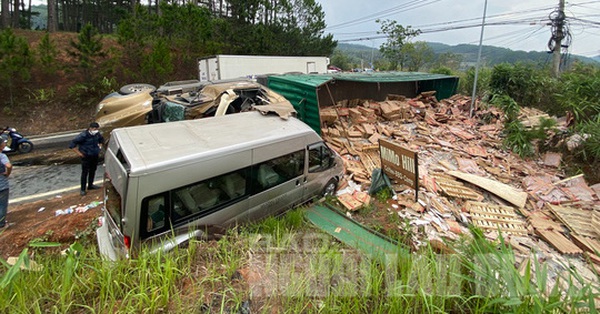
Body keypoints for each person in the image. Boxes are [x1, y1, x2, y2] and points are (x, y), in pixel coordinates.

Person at [69, 122, 104, 196]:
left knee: (93, 170)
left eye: (97, 129)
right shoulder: (83, 135)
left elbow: (101, 140)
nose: (96, 130)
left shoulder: (97, 134)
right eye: (94, 129)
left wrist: (99, 148)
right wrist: (79, 153)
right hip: (86, 156)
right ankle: (82, 189)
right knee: (85, 172)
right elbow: (72, 144)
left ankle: (90, 185)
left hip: (94, 155)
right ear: (90, 128)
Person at [0, 135, 13, 228]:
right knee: (2, 204)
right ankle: (1, 224)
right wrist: (7, 173)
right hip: (2, 183)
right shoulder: (2, 156)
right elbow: (9, 166)